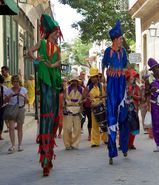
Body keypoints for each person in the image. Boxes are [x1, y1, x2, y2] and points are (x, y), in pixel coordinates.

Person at [28, 14, 63, 176]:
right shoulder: (41, 43)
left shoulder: (57, 48)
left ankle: (48, 157)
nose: (58, 35)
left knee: (53, 118)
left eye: (58, 32)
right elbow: (30, 51)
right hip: (45, 82)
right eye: (56, 32)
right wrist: (37, 61)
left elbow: (59, 63)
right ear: (49, 33)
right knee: (47, 118)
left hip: (54, 82)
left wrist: (52, 64)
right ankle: (45, 160)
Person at [102, 20, 128, 165]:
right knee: (112, 116)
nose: (122, 40)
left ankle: (124, 146)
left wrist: (126, 74)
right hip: (112, 84)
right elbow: (103, 65)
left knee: (123, 116)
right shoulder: (108, 51)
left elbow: (125, 65)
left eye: (122, 38)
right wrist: (104, 80)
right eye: (120, 39)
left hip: (122, 84)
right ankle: (112, 151)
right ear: (114, 39)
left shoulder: (123, 51)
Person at [4, 75, 28, 154]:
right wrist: (9, 97)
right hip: (11, 109)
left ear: (19, 82)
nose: (15, 83)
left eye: (17, 81)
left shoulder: (23, 90)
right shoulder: (8, 90)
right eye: (14, 82)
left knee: (19, 128)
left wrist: (23, 97)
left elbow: (27, 101)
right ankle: (13, 145)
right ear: (12, 82)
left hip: (20, 109)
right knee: (11, 128)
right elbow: (4, 101)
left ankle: (20, 145)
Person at [63, 74, 84, 150]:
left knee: (77, 129)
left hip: (77, 109)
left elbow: (83, 99)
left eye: (75, 81)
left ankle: (75, 144)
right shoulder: (67, 89)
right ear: (71, 81)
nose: (74, 82)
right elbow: (64, 99)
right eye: (73, 81)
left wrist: (82, 106)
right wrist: (64, 107)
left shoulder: (81, 89)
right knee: (67, 128)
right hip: (69, 109)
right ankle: (67, 144)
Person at [89, 68, 107, 147]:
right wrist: (89, 100)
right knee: (95, 125)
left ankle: (105, 138)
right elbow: (85, 97)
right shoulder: (89, 87)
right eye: (92, 77)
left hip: (102, 107)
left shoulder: (102, 86)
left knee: (104, 123)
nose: (93, 78)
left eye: (94, 77)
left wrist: (100, 97)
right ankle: (95, 142)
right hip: (94, 108)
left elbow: (107, 95)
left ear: (97, 77)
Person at [125, 68, 140, 150]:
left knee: (133, 126)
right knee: (125, 126)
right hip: (125, 109)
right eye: (132, 77)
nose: (133, 79)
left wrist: (132, 95)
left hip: (134, 109)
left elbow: (141, 97)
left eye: (134, 77)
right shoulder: (123, 86)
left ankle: (131, 144)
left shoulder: (137, 87)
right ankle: (123, 143)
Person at [1, 66, 12, 133]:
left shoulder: (11, 78)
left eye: (3, 71)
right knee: (4, 114)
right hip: (4, 98)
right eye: (1, 71)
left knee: (10, 114)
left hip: (11, 98)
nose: (2, 72)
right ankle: (8, 127)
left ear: (7, 71)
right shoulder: (2, 79)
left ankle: (10, 126)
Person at [0, 74, 8, 140]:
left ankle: (0, 134)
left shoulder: (4, 89)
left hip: (2, 106)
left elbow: (8, 97)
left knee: (1, 121)